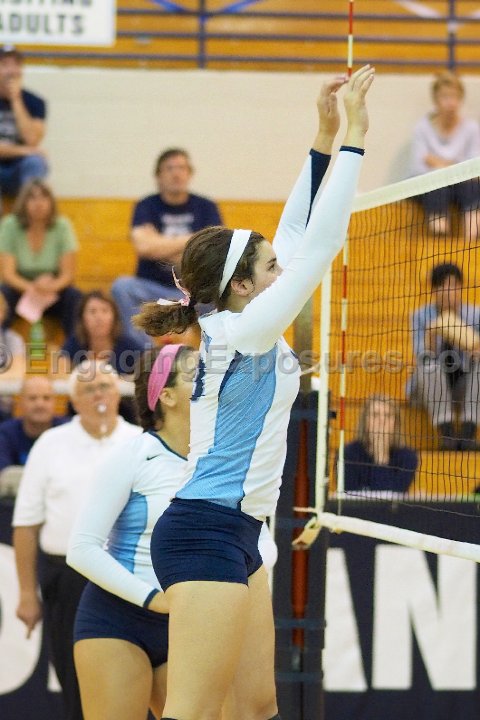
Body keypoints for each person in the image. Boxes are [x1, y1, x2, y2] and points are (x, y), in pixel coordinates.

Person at [133, 65, 374, 720]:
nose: (281, 269)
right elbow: (321, 244)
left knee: (259, 706)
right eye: (270, 268)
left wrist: (323, 135)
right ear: (242, 285)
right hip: (204, 530)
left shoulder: (240, 317)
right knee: (193, 712)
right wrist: (356, 137)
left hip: (242, 532)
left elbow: (295, 234)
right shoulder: (245, 329)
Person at [66, 345, 278, 720]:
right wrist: (156, 599)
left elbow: (259, 543)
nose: (211, 380)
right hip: (119, 618)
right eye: (197, 374)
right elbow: (82, 548)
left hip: (195, 620)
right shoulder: (133, 455)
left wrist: (232, 582)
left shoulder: (225, 463)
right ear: (166, 396)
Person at [12, 361, 141, 720]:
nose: (98, 395)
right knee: (75, 679)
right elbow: (26, 524)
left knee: (135, 679)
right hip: (70, 580)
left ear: (117, 394)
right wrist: (27, 594)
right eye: (88, 389)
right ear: (73, 400)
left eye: (105, 387)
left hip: (131, 575)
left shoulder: (140, 441)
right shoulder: (51, 444)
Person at [111, 148, 222, 346]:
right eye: (169, 168)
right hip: (152, 288)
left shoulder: (206, 207)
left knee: (224, 290)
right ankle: (144, 351)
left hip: (194, 291)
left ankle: (214, 353)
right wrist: (194, 241)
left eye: (181, 168)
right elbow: (144, 247)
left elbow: (214, 251)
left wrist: (159, 244)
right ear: (158, 176)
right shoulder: (146, 206)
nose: (176, 173)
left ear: (189, 173)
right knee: (122, 287)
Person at [410, 262, 480, 451]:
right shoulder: (421, 316)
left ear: (461, 287)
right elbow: (422, 356)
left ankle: (468, 433)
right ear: (434, 290)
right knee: (428, 364)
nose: (450, 292)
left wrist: (469, 343)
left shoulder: (476, 315)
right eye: (444, 286)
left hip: (464, 387)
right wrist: (431, 333)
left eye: (455, 286)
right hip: (429, 389)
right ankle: (447, 434)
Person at [0, 178, 82, 335]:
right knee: (2, 295)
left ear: (51, 202)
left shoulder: (62, 226)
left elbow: (68, 275)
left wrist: (49, 288)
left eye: (44, 197)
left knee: (75, 297)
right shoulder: (10, 225)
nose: (38, 203)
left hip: (52, 290)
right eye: (32, 197)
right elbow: (8, 275)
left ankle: (75, 347)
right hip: (19, 289)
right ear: (23, 202)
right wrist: (33, 288)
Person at [409, 71, 480, 237]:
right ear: (436, 100)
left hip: (463, 185)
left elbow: (474, 168)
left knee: (473, 188)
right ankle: (439, 238)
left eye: (455, 97)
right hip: (433, 186)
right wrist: (455, 167)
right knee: (437, 187)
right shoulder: (422, 128)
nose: (451, 103)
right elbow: (418, 168)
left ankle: (472, 242)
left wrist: (436, 162)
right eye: (445, 97)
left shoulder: (471, 128)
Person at [341, 394, 418, 494]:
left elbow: (393, 494)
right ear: (365, 421)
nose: (382, 421)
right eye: (375, 415)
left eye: (388, 415)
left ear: (396, 423)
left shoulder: (407, 457)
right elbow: (350, 495)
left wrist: (381, 456)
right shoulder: (347, 455)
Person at [0, 45, 48, 196]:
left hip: (19, 169)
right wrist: (25, 150)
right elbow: (31, 148)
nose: (11, 71)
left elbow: (32, 140)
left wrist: (16, 100)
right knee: (34, 154)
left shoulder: (35, 102)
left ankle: (28, 208)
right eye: (5, 64)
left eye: (16, 64)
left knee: (36, 162)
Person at [0, 375, 66, 472]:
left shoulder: (68, 431)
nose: (40, 404)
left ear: (55, 402)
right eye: (32, 398)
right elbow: (3, 475)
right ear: (20, 402)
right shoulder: (5, 434)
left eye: (46, 398)